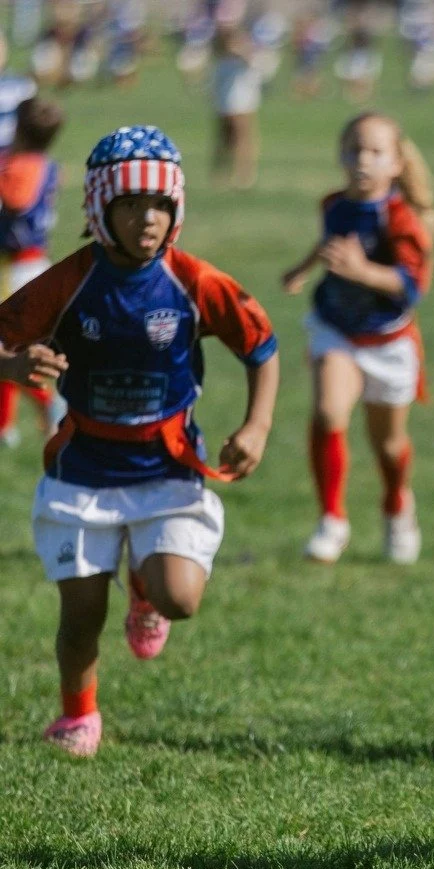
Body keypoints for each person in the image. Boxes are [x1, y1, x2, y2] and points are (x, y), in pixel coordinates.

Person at [0, 125, 279, 758]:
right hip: (83, 472)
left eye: (159, 205)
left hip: (166, 468)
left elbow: (261, 345)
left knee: (180, 598)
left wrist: (257, 425)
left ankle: (147, 591)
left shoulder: (194, 280)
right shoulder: (69, 280)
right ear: (101, 208)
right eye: (130, 205)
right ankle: (78, 715)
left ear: (177, 208)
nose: (147, 220)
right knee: (81, 617)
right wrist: (13, 367)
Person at [282, 113, 434, 565]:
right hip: (336, 329)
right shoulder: (332, 203)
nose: (361, 160)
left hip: (389, 341)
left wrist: (362, 271)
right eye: (353, 150)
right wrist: (303, 268)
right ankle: (332, 519)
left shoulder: (401, 217)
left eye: (375, 152)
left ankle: (396, 505)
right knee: (329, 413)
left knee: (388, 445)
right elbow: (330, 241)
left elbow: (413, 286)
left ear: (396, 163)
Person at [0, 97, 64, 449]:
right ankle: (10, 423)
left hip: (19, 267)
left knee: (8, 346)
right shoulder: (45, 163)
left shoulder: (20, 168)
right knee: (10, 346)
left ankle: (29, 413)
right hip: (27, 264)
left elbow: (16, 199)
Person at [210, 22, 262, 189]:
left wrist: (241, 48)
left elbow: (249, 59)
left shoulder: (244, 61)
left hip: (243, 106)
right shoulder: (223, 62)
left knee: (243, 140)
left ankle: (244, 175)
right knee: (224, 141)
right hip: (224, 106)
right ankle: (221, 174)